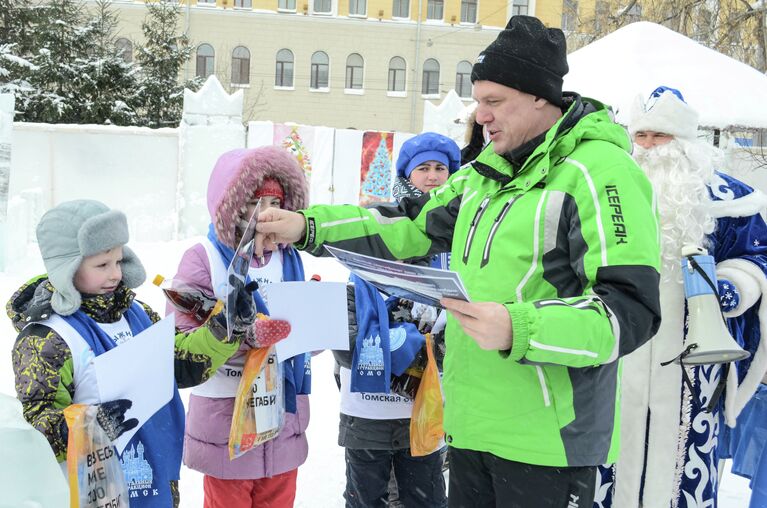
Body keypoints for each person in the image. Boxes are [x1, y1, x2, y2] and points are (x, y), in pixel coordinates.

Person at [254, 15, 661, 508]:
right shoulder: (480, 178)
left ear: (539, 97)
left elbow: (629, 310)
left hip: (549, 443)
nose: (481, 116)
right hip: (468, 429)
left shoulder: (600, 173)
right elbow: (406, 226)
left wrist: (520, 327)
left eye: (494, 102)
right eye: (478, 101)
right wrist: (307, 226)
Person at [7, 199, 251, 507]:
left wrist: (223, 329)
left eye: (119, 262)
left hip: (154, 472)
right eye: (101, 265)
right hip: (94, 491)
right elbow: (36, 427)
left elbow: (179, 363)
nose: (115, 275)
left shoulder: (134, 313)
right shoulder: (47, 338)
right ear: (65, 269)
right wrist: (91, 428)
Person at [600, 86, 767, 508]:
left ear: (687, 142)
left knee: (686, 455)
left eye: (661, 137)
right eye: (642, 137)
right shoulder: (607, 193)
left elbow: (758, 254)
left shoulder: (729, 199)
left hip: (695, 361)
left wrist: (736, 285)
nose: (650, 148)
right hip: (617, 350)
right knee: (610, 447)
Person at [175, 145, 311, 508]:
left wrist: (318, 318)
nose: (267, 214)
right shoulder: (203, 259)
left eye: (276, 203)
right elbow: (182, 345)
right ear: (233, 205)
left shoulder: (290, 259)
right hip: (226, 422)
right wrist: (241, 334)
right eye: (256, 202)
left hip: (282, 416)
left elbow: (305, 344)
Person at [337, 132, 459, 508]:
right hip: (369, 418)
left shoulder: (458, 237)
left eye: (441, 168)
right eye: (424, 167)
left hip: (428, 413)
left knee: (426, 498)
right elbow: (348, 343)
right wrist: (405, 347)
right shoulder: (366, 264)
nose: (434, 175)